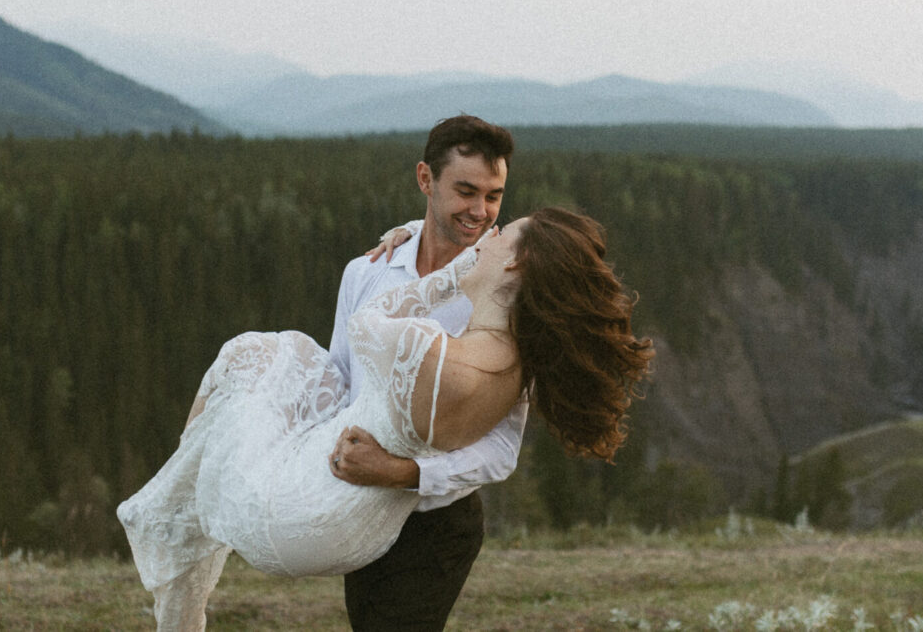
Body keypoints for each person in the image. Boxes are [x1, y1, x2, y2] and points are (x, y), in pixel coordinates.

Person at [117, 205, 654, 631]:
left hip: (321, 512)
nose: (486, 231)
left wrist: (449, 275)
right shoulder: (514, 364)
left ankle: (172, 533)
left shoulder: (430, 349)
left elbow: (367, 323)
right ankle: (175, 518)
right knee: (291, 356)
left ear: (513, 264)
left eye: (500, 232)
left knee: (253, 349)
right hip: (365, 524)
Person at [326, 114, 524, 630]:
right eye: (465, 191)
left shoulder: (505, 294)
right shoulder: (364, 272)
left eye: (494, 195)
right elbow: (340, 383)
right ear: (425, 180)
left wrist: (404, 473)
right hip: (362, 513)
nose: (480, 211)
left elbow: (503, 449)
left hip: (438, 523)